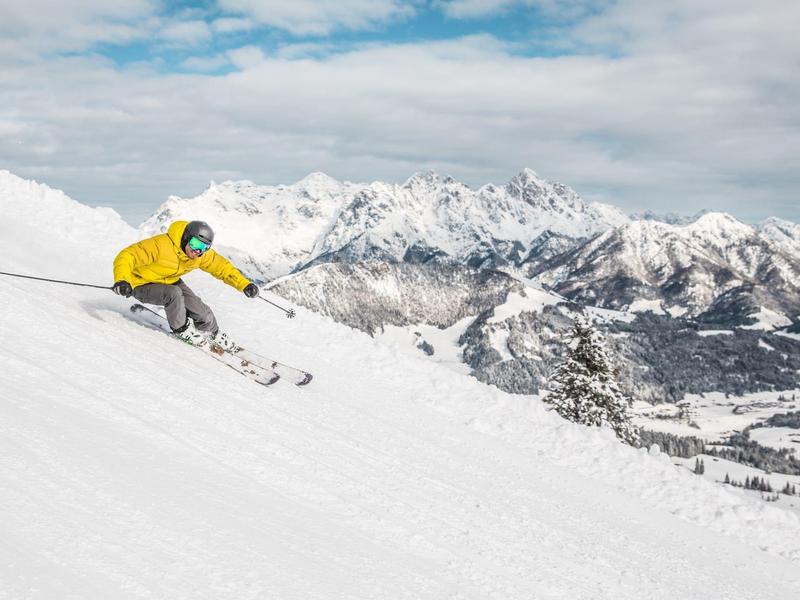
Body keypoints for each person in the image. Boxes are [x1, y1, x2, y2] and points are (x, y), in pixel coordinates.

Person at [112, 220, 259, 347]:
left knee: (201, 312)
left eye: (203, 248)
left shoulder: (199, 256)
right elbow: (127, 256)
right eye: (195, 244)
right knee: (173, 293)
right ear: (186, 238)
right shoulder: (161, 246)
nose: (197, 251)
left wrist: (244, 284)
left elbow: (222, 268)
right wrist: (122, 280)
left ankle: (211, 333)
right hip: (140, 283)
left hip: (170, 281)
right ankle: (182, 329)